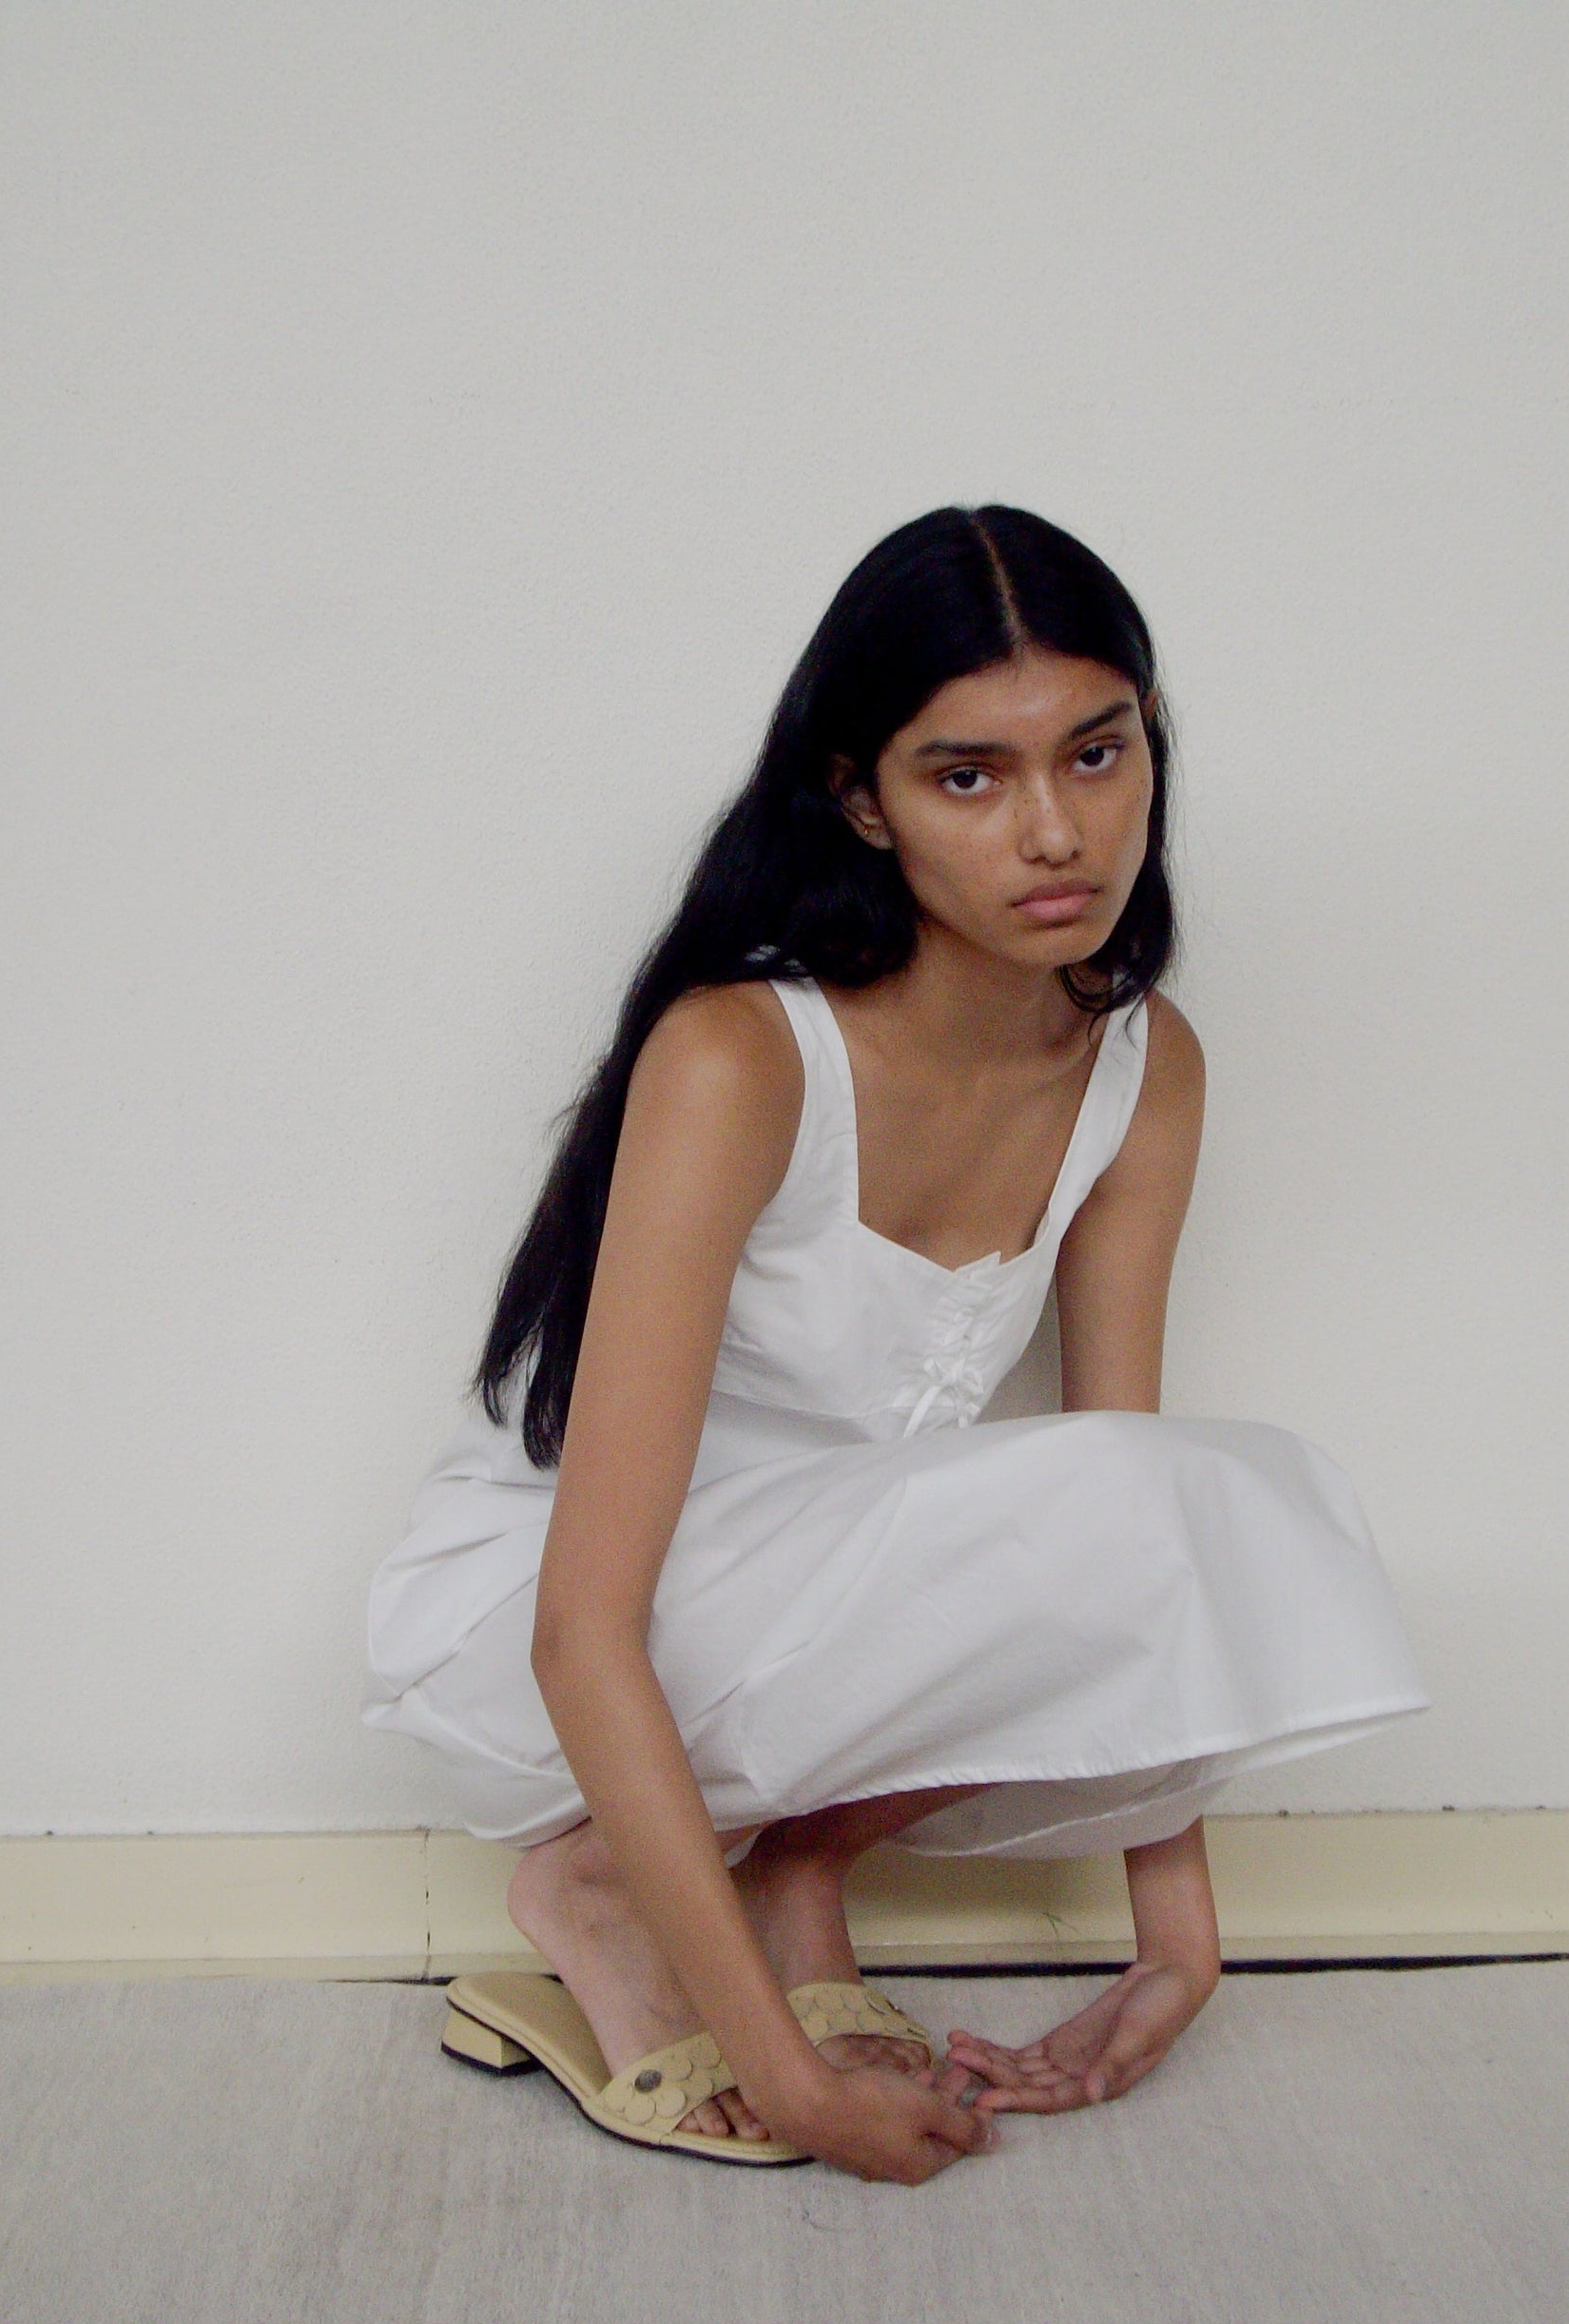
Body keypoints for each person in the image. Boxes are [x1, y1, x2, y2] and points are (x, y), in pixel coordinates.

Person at [362, 503, 1426, 2185]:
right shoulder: (739, 1059)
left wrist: (1176, 1938)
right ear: (862, 799)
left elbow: (1128, 1527)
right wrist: (787, 2080)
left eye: (1097, 754)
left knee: (1203, 1492)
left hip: (813, 1639)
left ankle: (792, 1874)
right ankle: (600, 1888)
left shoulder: (1148, 1068)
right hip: (548, 1634)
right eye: (967, 778)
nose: (1055, 832)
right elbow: (583, 1627)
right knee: (1157, 1501)